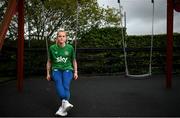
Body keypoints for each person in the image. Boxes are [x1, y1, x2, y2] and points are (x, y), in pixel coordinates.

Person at [46, 30, 78, 116]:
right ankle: (65, 102)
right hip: (56, 69)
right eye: (60, 36)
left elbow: (74, 61)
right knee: (58, 81)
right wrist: (48, 73)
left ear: (66, 38)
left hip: (68, 69)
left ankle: (63, 107)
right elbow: (49, 61)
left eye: (63, 36)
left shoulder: (70, 48)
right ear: (57, 37)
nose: (61, 38)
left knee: (66, 85)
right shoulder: (52, 48)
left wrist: (75, 72)